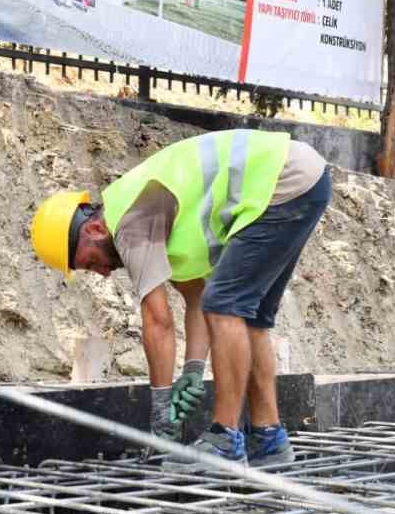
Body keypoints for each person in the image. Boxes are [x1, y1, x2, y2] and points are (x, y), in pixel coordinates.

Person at [30, 129, 331, 468]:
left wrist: (160, 409)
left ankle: (225, 440)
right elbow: (197, 299)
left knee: (228, 305)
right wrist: (192, 369)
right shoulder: (147, 216)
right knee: (250, 317)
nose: (100, 272)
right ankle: (268, 439)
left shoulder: (128, 223)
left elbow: (158, 320)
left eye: (88, 261)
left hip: (280, 182)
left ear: (94, 230)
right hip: (300, 178)